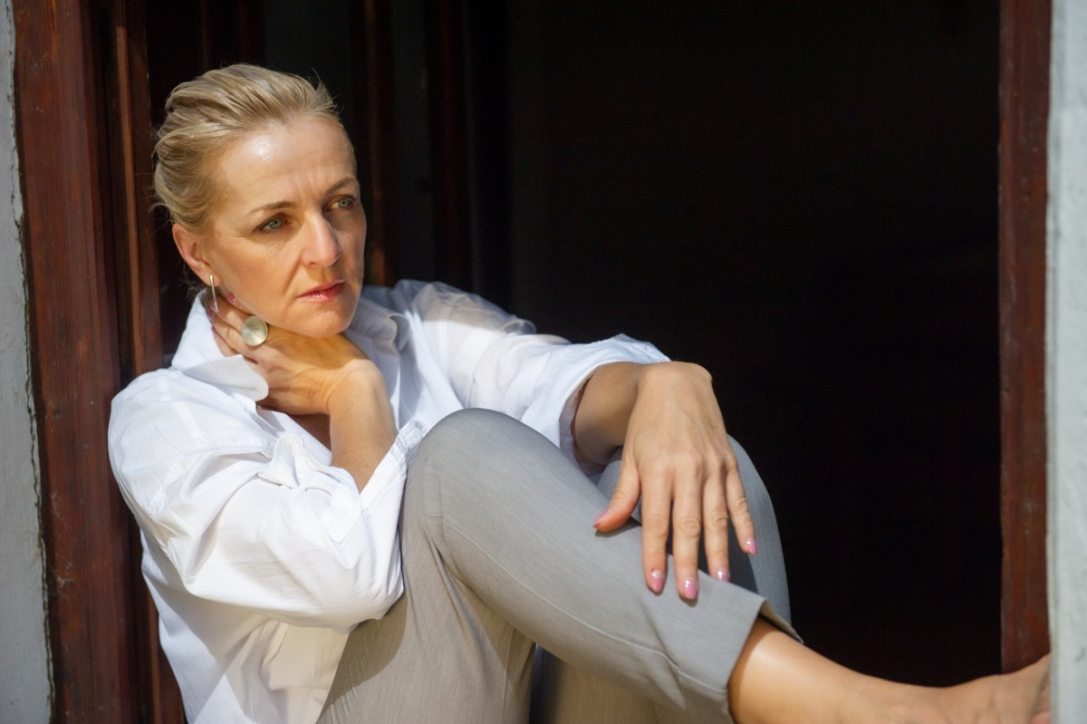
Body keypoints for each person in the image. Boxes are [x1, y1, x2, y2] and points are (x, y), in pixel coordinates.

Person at [108, 63, 1049, 724]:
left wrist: (668, 386)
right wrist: (357, 396)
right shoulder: (167, 422)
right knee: (457, 459)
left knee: (692, 470)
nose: (325, 248)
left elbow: (560, 384)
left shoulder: (418, 323)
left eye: (340, 203)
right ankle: (875, 713)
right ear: (199, 251)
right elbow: (354, 581)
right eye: (275, 224)